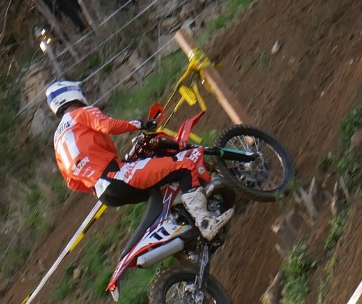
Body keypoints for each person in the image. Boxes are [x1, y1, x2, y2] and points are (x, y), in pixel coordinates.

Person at [44, 80, 232, 239]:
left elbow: (72, 183)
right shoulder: (81, 113)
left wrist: (96, 180)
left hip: (104, 194)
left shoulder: (57, 141)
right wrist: (140, 124)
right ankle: (205, 221)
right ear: (71, 93)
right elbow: (108, 126)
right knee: (184, 166)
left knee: (163, 187)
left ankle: (186, 228)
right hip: (115, 176)